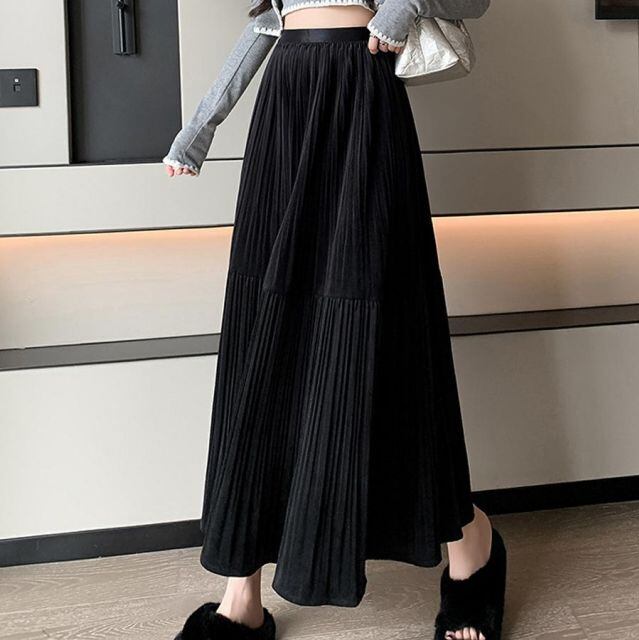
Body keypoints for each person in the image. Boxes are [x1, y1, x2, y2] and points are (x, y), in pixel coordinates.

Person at [163, 2, 507, 639]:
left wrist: (406, 4)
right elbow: (266, 22)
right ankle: (240, 596)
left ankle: (471, 545)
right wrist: (201, 125)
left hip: (361, 100)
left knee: (386, 331)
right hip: (287, 104)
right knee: (266, 335)